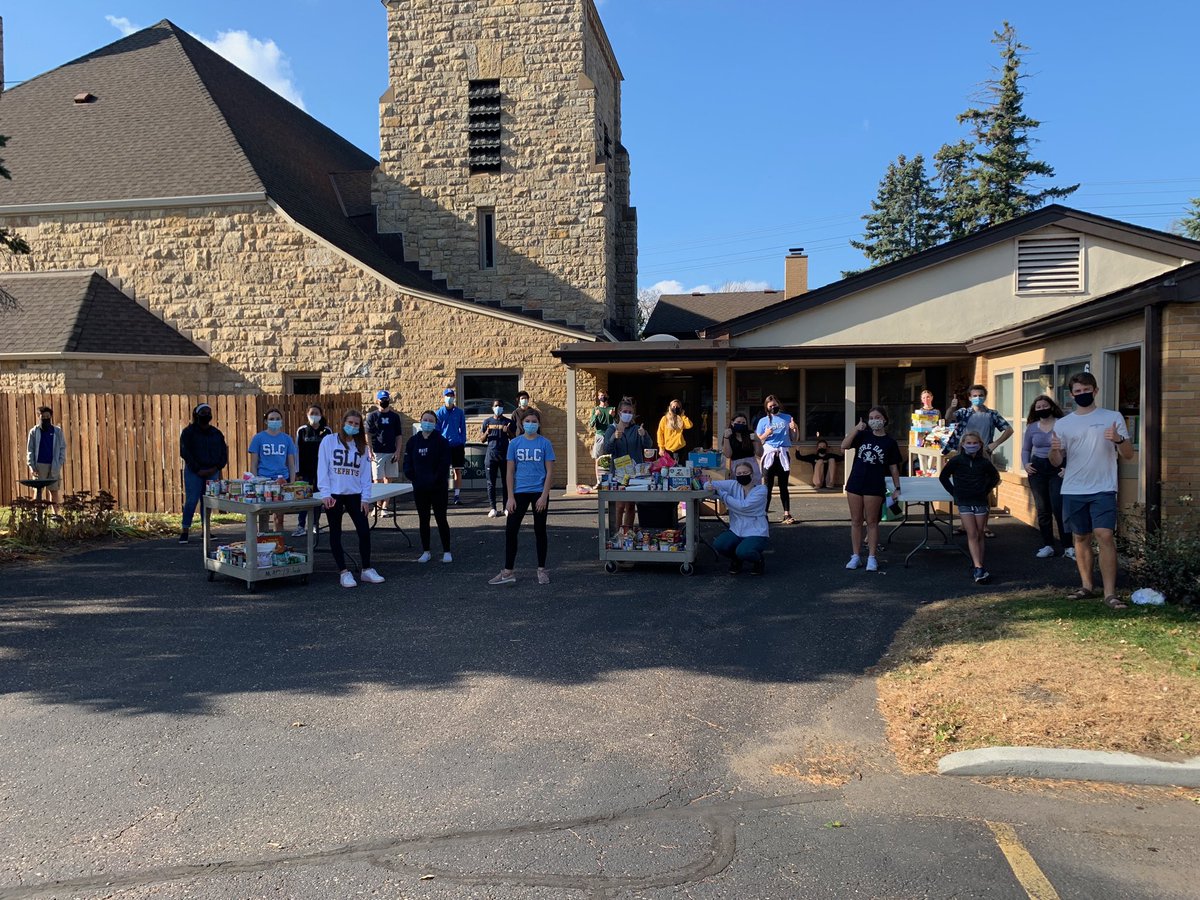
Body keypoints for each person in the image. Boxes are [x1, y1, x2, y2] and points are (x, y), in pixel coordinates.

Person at [1049, 372, 1134, 610]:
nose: (1082, 394)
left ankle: (1110, 593)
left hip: (1104, 487)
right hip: (1074, 487)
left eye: (1087, 390)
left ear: (1095, 391)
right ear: (1071, 394)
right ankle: (1086, 586)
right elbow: (1056, 461)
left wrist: (1118, 440)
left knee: (1104, 535)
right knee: (1080, 537)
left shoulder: (1112, 417)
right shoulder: (1063, 423)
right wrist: (1054, 450)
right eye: (1078, 391)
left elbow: (1128, 454)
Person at [317, 410, 385, 589]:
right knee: (336, 532)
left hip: (355, 495)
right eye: (350, 423)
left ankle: (366, 569)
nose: (353, 426)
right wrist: (325, 493)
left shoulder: (362, 446)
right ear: (343, 422)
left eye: (356, 424)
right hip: (334, 494)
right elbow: (322, 468)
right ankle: (343, 572)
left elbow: (365, 475)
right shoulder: (329, 441)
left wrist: (366, 498)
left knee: (364, 531)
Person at [490, 408, 555, 586]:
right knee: (511, 530)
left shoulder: (545, 443)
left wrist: (544, 496)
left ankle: (542, 569)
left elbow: (550, 472)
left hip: (539, 492)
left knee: (540, 530)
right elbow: (509, 472)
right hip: (519, 492)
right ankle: (508, 571)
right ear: (522, 423)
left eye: (534, 421)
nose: (531, 424)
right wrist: (510, 497)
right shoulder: (514, 444)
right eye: (528, 421)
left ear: (539, 424)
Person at [943, 384, 1012, 538]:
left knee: (985, 490)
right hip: (964, 454)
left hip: (984, 454)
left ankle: (984, 526)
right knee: (963, 487)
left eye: (980, 395)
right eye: (974, 395)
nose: (978, 398)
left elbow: (1009, 430)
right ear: (969, 397)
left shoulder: (992, 414)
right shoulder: (964, 412)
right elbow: (949, 417)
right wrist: (952, 407)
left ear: (985, 396)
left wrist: (995, 443)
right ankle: (964, 524)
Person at [841, 407, 902, 572]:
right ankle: (855, 556)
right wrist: (856, 429)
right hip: (855, 482)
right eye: (871, 417)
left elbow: (894, 467)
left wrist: (897, 488)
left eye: (877, 417)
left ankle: (872, 557)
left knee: (872, 522)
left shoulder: (890, 442)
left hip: (874, 484)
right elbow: (844, 445)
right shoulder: (863, 435)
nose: (874, 420)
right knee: (856, 521)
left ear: (884, 419)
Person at [939, 431, 1001, 584]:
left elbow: (995, 477)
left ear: (980, 445)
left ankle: (979, 563)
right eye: (969, 443)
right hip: (964, 501)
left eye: (975, 443)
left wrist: (985, 490)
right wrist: (954, 492)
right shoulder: (956, 461)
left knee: (980, 533)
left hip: (980, 501)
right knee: (971, 533)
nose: (972, 445)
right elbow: (943, 477)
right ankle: (978, 567)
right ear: (963, 444)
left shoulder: (984, 462)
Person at [1022, 394, 1072, 560]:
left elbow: (1072, 447)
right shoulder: (1032, 427)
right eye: (1039, 407)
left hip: (1058, 468)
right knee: (1043, 509)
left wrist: (1068, 467)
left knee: (1059, 507)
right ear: (1035, 410)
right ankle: (1048, 545)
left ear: (1051, 407)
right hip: (1037, 468)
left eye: (1045, 406)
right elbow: (1026, 449)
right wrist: (1025, 464)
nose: (1042, 409)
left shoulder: (1062, 424)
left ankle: (1068, 546)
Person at [404, 410, 454, 563]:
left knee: (441, 518)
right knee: (423, 519)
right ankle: (426, 551)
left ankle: (447, 551)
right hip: (420, 488)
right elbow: (407, 463)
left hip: (438, 488)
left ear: (435, 423)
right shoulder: (413, 441)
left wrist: (435, 479)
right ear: (420, 421)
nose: (427, 423)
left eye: (431, 421)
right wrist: (413, 477)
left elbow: (444, 464)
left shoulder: (441, 441)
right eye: (425, 420)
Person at [602, 399, 655, 537]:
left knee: (630, 505)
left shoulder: (637, 429)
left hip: (634, 473)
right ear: (619, 412)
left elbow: (648, 445)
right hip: (618, 474)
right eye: (625, 411)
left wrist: (644, 435)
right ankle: (617, 535)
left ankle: (628, 534)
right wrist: (613, 438)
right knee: (620, 505)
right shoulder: (611, 429)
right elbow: (606, 449)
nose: (627, 414)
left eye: (630, 412)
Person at [706, 460, 770, 575]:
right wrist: (709, 486)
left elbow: (743, 507)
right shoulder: (733, 485)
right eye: (739, 473)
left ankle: (758, 560)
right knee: (719, 544)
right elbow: (709, 484)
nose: (742, 475)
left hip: (756, 532)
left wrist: (722, 494)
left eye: (745, 472)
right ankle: (736, 559)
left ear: (752, 474)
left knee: (744, 551)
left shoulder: (761, 490)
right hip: (736, 530)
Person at [178, 403, 228, 544]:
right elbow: (185, 452)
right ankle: (185, 530)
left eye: (208, 412)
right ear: (196, 415)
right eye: (203, 412)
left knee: (207, 501)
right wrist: (197, 469)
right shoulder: (188, 432)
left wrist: (216, 467)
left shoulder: (216, 433)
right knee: (192, 500)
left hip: (212, 471)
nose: (207, 415)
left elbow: (223, 452)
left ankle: (205, 530)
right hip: (194, 471)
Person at [249, 408, 297, 534]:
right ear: (266, 421)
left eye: (277, 419)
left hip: (282, 479)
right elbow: (253, 464)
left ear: (281, 421)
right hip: (263, 480)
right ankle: (262, 541)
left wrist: (292, 483)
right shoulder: (258, 438)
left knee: (279, 517)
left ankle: (278, 542)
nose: (274, 421)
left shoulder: (287, 439)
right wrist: (255, 482)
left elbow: (291, 464)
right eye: (271, 419)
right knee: (263, 516)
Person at [756, 395, 799, 525]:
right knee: (767, 487)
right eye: (770, 406)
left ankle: (787, 513)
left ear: (778, 404)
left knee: (783, 486)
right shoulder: (763, 421)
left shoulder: (787, 418)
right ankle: (763, 513)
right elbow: (758, 440)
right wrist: (766, 433)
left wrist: (794, 428)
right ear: (766, 408)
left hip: (783, 454)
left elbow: (794, 438)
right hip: (769, 454)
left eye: (775, 405)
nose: (773, 407)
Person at [294, 405, 331, 537]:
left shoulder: (327, 431)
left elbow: (330, 451)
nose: (314, 415)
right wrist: (297, 471)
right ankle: (300, 526)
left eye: (317, 413)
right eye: (312, 413)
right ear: (307, 415)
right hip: (305, 470)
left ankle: (315, 524)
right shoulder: (302, 430)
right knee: (304, 498)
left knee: (318, 498)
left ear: (321, 415)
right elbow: (297, 451)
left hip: (321, 471)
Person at [365, 389, 403, 507]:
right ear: (377, 401)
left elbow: (398, 436)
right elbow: (368, 434)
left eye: (386, 399)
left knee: (388, 480)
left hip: (391, 452)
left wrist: (398, 451)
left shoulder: (395, 417)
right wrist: (370, 450)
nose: (384, 401)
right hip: (377, 451)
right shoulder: (372, 416)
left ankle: (384, 506)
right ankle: (377, 505)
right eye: (382, 399)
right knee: (377, 480)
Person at [26, 406, 66, 512]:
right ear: (38, 417)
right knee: (38, 491)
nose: (45, 418)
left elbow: (62, 448)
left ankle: (55, 515)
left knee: (54, 491)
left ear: (51, 417)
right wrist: (31, 466)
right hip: (39, 466)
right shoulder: (34, 432)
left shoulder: (57, 431)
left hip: (54, 465)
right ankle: (36, 515)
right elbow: (30, 450)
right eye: (43, 417)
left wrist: (60, 462)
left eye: (47, 416)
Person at [480, 399, 512, 517]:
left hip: (505, 456)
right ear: (492, 407)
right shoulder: (487, 422)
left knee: (506, 483)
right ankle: (493, 508)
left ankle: (505, 508)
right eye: (496, 406)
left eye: (500, 406)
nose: (498, 408)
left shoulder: (508, 422)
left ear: (503, 408)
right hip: (491, 456)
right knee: (491, 483)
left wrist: (508, 431)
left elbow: (514, 438)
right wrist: (486, 433)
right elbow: (482, 439)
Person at [436, 387, 467, 505]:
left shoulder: (459, 412)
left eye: (451, 396)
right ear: (444, 397)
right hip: (444, 446)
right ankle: (443, 495)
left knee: (457, 470)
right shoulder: (439, 412)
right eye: (447, 396)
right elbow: (437, 430)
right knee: (443, 471)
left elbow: (463, 428)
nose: (449, 398)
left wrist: (462, 442)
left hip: (457, 445)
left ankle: (457, 496)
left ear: (454, 397)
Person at [722, 413, 763, 480]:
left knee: (754, 484)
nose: (741, 424)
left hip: (751, 465)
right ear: (732, 423)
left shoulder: (750, 434)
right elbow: (728, 455)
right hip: (737, 465)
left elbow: (759, 453)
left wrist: (758, 440)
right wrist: (726, 438)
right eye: (738, 422)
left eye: (743, 423)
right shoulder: (729, 435)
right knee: (738, 485)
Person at [588, 390, 616, 487]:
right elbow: (591, 424)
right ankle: (599, 481)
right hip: (600, 435)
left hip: (609, 435)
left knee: (610, 458)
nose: (602, 397)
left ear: (607, 396)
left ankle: (610, 480)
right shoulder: (596, 409)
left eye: (604, 395)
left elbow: (616, 424)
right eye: (601, 396)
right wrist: (596, 415)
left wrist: (612, 416)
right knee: (598, 458)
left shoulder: (612, 409)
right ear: (598, 397)